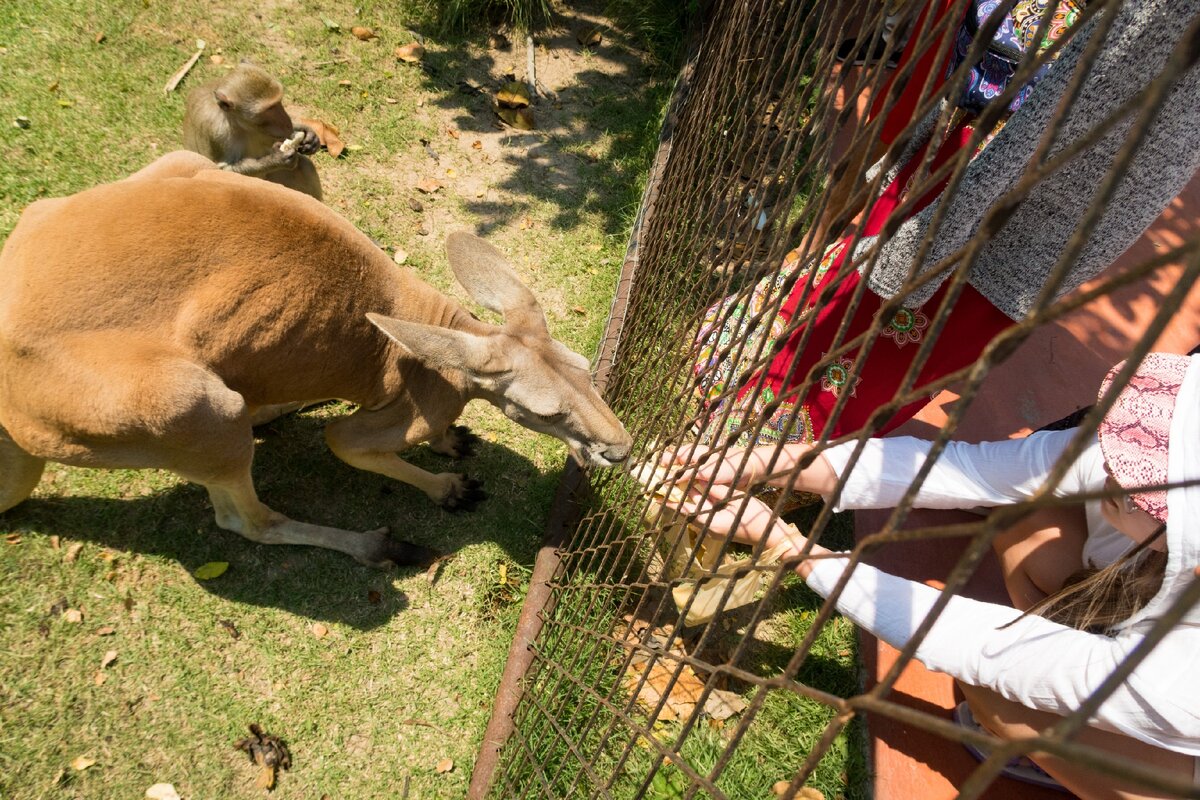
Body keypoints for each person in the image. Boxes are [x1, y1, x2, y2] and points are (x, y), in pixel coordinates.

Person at [662, 353, 1200, 798]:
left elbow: (980, 647)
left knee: (1001, 702)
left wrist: (790, 547)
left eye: (1141, 479)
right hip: (1149, 597)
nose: (1112, 460)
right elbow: (962, 471)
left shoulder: (1180, 676)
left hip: (1173, 715)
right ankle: (1079, 652)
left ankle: (1084, 764)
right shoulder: (1122, 465)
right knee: (1022, 514)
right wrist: (769, 462)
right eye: (1139, 445)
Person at [694, 0, 1200, 448]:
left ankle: (763, 446)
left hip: (1029, 187)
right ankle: (744, 396)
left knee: (898, 323)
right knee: (857, 276)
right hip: (973, 122)